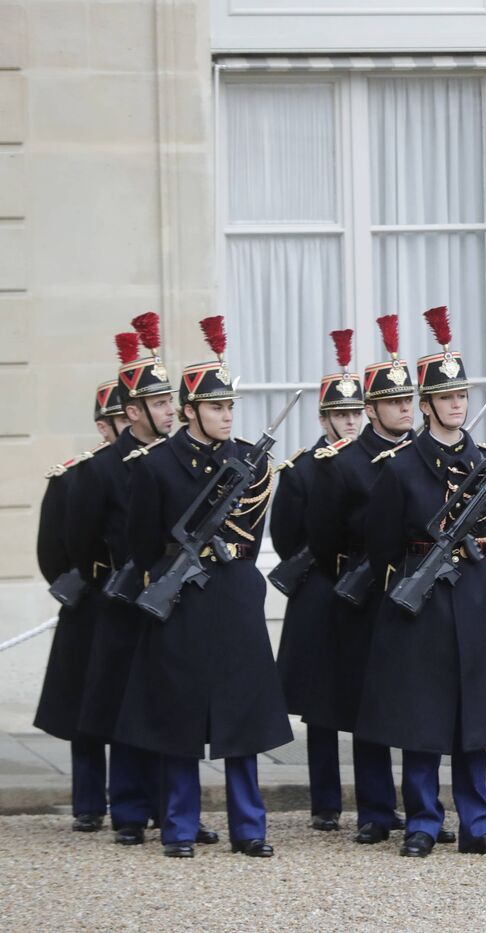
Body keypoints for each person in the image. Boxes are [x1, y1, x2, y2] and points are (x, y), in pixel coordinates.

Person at [116, 315, 292, 858]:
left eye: (230, 407)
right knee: (178, 720)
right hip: (181, 599)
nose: (226, 415)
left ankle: (250, 828)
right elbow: (142, 541)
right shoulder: (157, 465)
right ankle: (179, 827)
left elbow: (251, 533)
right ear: (189, 410)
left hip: (234, 593)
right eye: (216, 407)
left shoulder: (250, 461)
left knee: (243, 720)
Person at [358, 306, 486, 858]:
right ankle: (424, 822)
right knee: (423, 719)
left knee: (472, 721)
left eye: (463, 396)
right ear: (425, 405)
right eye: (447, 397)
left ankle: (477, 824)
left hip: (472, 594)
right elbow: (380, 544)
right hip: (421, 598)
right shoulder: (401, 468)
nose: (458, 404)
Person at [305, 315, 431, 846]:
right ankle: (377, 811)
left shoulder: (428, 456)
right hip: (365, 594)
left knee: (420, 701)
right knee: (367, 705)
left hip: (417, 591)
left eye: (409, 400)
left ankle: (424, 809)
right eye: (394, 402)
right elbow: (323, 538)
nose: (406, 408)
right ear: (372, 408)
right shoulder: (344, 464)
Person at [71, 316, 180, 848]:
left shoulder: (179, 458)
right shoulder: (99, 471)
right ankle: (131, 812)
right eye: (158, 405)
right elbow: (82, 543)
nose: (169, 413)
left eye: (170, 403)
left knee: (169, 703)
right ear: (131, 412)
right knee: (125, 707)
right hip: (122, 597)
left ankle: (174, 810)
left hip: (171, 595)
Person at [272, 329, 365, 832]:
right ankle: (325, 803)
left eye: (356, 413)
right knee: (322, 704)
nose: (350, 421)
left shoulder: (377, 462)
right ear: (324, 418)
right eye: (341, 414)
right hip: (320, 589)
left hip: (367, 584)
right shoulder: (301, 471)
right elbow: (287, 538)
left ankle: (376, 801)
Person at [33, 371, 129, 833]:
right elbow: (53, 552)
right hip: (92, 603)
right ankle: (89, 802)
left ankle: (137, 799)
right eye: (115, 420)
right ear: (103, 426)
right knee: (86, 706)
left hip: (132, 599)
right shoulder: (74, 477)